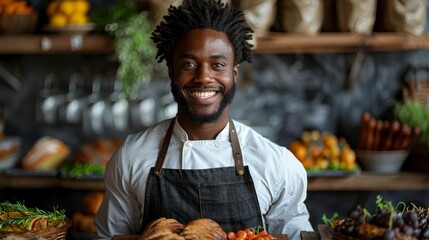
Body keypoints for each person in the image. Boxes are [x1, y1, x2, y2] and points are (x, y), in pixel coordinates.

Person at [94, 0, 313, 239]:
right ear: (171, 72)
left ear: (234, 73)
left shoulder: (276, 165)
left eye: (217, 65)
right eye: (189, 64)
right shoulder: (132, 157)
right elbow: (109, 238)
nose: (204, 77)